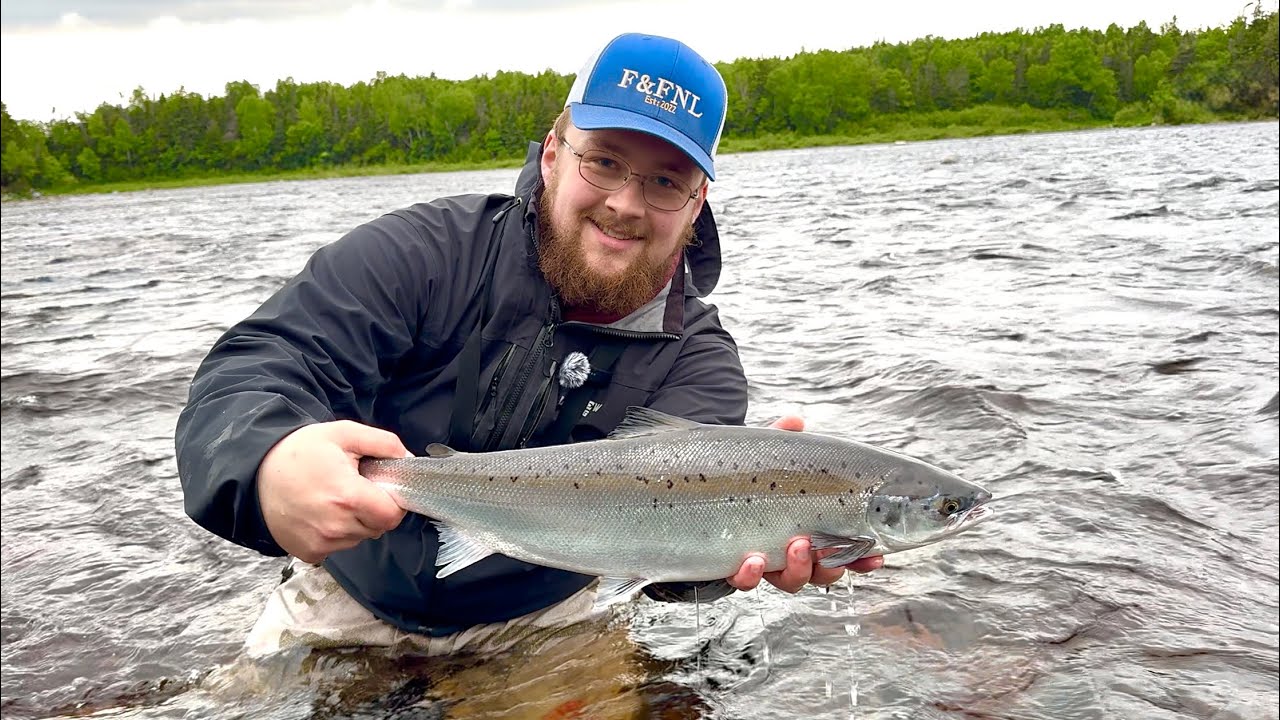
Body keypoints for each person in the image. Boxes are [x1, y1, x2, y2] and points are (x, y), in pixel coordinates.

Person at [175, 31, 882, 660]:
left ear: (696, 204)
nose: (626, 203)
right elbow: (258, 367)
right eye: (604, 162)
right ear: (552, 157)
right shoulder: (422, 255)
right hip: (348, 595)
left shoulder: (700, 361)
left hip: (546, 620)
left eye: (666, 181)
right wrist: (268, 462)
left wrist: (750, 545)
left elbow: (667, 565)